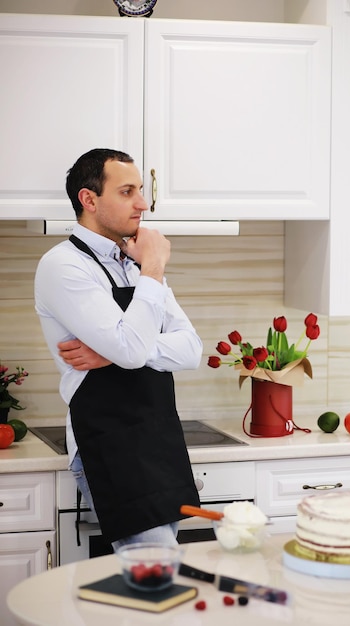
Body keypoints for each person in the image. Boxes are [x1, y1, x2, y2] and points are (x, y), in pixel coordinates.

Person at [35, 148, 202, 550]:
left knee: (157, 587)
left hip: (159, 438)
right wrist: (155, 269)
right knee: (155, 582)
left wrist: (113, 351)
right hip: (109, 443)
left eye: (141, 190)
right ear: (89, 200)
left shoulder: (133, 262)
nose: (142, 204)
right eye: (127, 191)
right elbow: (131, 349)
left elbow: (191, 349)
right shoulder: (64, 266)